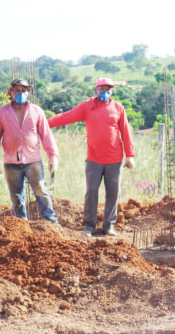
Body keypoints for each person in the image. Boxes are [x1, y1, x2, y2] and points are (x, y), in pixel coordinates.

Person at [48, 78, 135, 237]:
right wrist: (45, 123)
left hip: (114, 159)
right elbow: (67, 117)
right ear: (96, 90)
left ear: (112, 91)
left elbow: (125, 132)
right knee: (92, 191)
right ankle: (89, 226)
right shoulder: (87, 106)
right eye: (101, 88)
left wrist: (130, 155)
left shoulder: (118, 108)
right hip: (94, 159)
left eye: (108, 88)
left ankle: (108, 226)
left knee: (113, 193)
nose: (105, 91)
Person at [0, 78, 59, 223]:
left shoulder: (36, 111)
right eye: (17, 90)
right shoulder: (1, 113)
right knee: (16, 196)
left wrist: (53, 156)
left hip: (33, 160)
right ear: (11, 92)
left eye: (24, 90)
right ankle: (22, 224)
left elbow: (46, 134)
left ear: (28, 92)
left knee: (41, 191)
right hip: (11, 162)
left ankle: (51, 222)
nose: (21, 93)